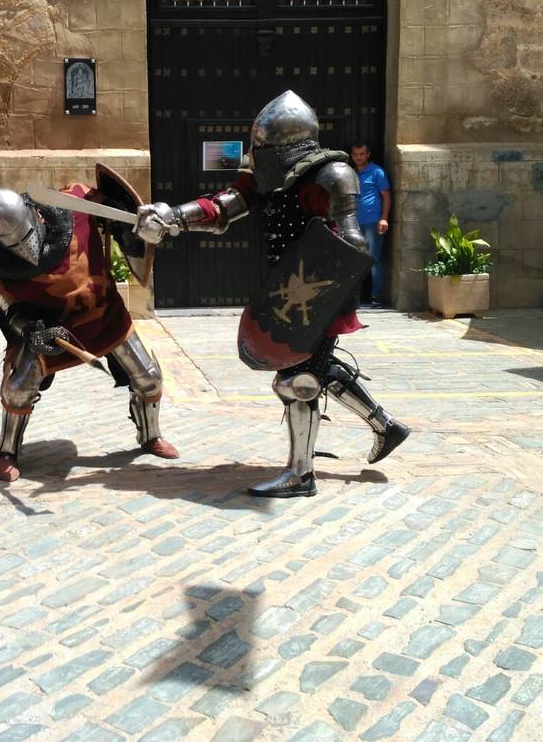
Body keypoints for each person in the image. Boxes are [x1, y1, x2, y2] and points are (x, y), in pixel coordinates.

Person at [136, 90, 410, 498]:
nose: (256, 152)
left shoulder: (333, 173)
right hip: (292, 293)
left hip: (318, 297)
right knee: (317, 368)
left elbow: (351, 244)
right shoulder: (273, 173)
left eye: (262, 144)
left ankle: (301, 474)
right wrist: (173, 216)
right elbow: (227, 206)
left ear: (283, 142)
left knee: (296, 380)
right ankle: (385, 427)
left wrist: (322, 300)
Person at [0, 184, 179, 483]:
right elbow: (1, 302)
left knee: (148, 377)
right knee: (18, 388)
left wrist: (145, 220)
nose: (24, 248)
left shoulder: (75, 204)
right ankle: (7, 450)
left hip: (103, 311)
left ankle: (150, 436)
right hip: (50, 327)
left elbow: (117, 209)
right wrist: (27, 327)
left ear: (35, 215)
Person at [350, 142, 391, 307]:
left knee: (374, 259)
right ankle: (354, 297)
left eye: (362, 154)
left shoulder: (377, 172)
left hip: (372, 221)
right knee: (354, 260)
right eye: (355, 154)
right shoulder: (350, 173)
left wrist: (384, 218)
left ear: (368, 154)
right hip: (353, 222)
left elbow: (386, 196)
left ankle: (375, 297)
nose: (358, 157)